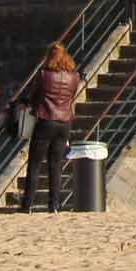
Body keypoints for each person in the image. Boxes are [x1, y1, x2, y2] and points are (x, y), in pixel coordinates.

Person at [21, 41, 80, 213]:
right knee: (55, 164)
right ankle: (54, 204)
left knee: (34, 163)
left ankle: (27, 204)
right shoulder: (74, 76)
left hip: (46, 119)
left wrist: (26, 104)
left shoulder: (44, 74)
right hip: (65, 121)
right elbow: (72, 96)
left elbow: (35, 96)